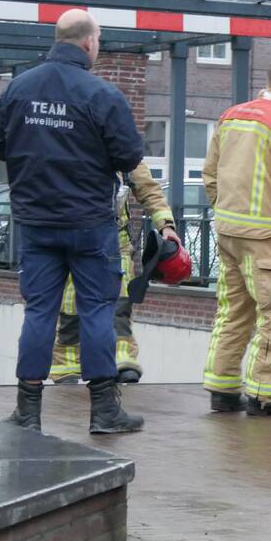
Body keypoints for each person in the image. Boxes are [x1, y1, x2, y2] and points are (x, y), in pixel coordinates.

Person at [0, 9, 145, 434]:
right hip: (89, 224)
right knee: (97, 310)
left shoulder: (17, 89)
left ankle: (27, 411)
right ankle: (104, 412)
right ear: (89, 42)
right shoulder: (102, 95)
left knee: (40, 310)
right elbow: (129, 156)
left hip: (36, 222)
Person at [201, 53, 271, 417]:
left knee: (233, 312)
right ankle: (264, 395)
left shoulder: (231, 115)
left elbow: (210, 173)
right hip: (269, 236)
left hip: (229, 231)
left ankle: (222, 389)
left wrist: (224, 210)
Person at [50, 160, 179, 385]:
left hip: (115, 242)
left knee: (120, 302)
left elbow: (148, 189)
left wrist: (166, 225)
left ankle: (122, 360)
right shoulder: (70, 140)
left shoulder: (123, 150)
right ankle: (67, 364)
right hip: (74, 239)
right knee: (69, 304)